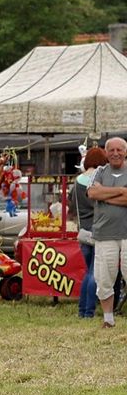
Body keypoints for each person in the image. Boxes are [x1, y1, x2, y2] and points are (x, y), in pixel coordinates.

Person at [87, 136, 127, 328]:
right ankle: (108, 319)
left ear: (126, 152)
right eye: (111, 150)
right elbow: (92, 193)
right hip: (104, 234)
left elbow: (100, 194)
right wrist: (121, 191)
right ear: (106, 152)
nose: (115, 153)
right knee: (104, 278)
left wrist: (105, 194)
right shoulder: (99, 172)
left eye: (119, 150)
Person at [70, 146, 107, 318]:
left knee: (87, 272)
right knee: (95, 273)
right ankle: (89, 311)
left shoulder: (77, 181)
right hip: (100, 229)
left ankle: (81, 310)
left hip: (83, 231)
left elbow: (71, 205)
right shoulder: (101, 179)